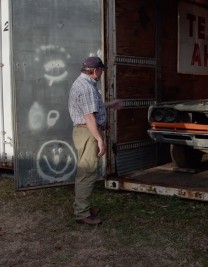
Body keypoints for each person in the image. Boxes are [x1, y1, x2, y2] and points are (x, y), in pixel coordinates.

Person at [68, 56, 122, 225]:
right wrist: (100, 140)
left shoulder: (85, 84)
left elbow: (92, 106)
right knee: (87, 171)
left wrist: (110, 104)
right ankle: (82, 213)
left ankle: (82, 207)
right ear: (94, 71)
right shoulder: (86, 88)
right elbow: (89, 117)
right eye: (101, 69)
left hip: (85, 131)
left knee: (87, 171)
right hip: (87, 132)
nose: (102, 72)